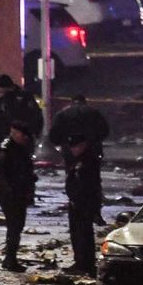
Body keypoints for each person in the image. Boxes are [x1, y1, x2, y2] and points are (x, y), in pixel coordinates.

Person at [49, 95, 110, 275]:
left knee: (80, 223)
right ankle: (93, 211)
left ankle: (83, 262)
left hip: (73, 159)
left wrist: (66, 144)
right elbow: (104, 131)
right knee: (87, 186)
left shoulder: (63, 114)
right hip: (92, 154)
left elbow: (53, 136)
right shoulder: (94, 113)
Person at [0, 120, 36, 272]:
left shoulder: (22, 148)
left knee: (17, 226)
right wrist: (8, 190)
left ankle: (10, 258)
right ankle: (10, 259)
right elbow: (2, 173)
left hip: (19, 192)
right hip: (11, 193)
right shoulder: (8, 149)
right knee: (14, 225)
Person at [0, 74, 43, 154]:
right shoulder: (26, 97)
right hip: (22, 137)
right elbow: (37, 116)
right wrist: (35, 133)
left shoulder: (1, 101)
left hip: (6, 136)